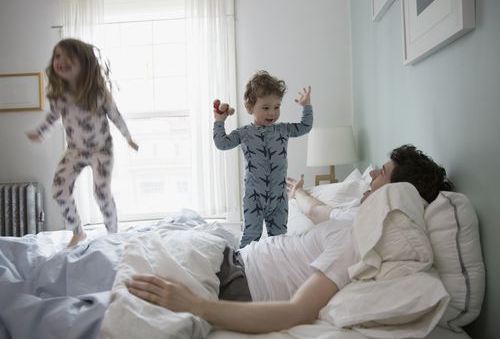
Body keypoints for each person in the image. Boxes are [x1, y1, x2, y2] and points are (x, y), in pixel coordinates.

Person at [126, 144, 452, 334]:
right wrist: (299, 194)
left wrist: (193, 305)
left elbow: (298, 311)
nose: (370, 176)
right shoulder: (354, 216)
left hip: (237, 280)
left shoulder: (359, 238)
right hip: (232, 260)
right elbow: (319, 211)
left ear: (395, 192)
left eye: (381, 173)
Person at [26, 38, 139, 247]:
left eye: (69, 56)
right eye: (57, 56)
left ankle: (113, 233)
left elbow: (115, 115)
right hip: (75, 151)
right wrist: (40, 133)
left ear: (84, 62)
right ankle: (77, 231)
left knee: (101, 192)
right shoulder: (58, 95)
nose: (61, 61)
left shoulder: (98, 92)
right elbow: (52, 117)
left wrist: (128, 137)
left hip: (101, 151)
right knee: (59, 190)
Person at [213, 70, 313, 247]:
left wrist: (307, 106)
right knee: (251, 236)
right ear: (250, 107)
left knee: (279, 238)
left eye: (277, 106)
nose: (272, 113)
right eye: (266, 107)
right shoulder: (244, 133)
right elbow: (222, 143)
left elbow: (305, 127)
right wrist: (219, 122)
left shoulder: (283, 129)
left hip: (279, 197)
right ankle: (242, 267)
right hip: (254, 197)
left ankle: (274, 266)